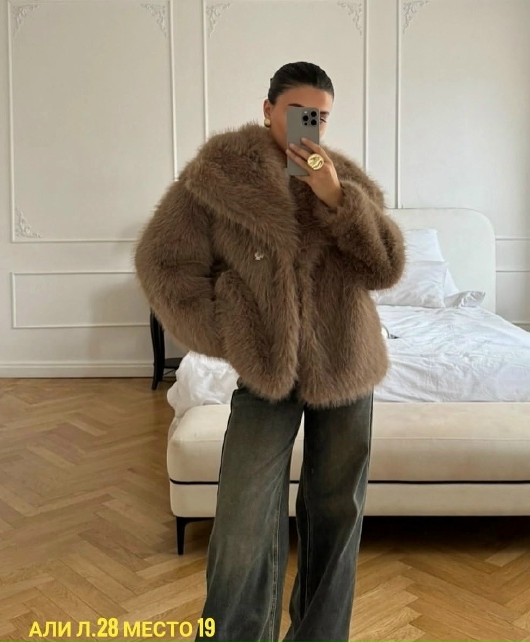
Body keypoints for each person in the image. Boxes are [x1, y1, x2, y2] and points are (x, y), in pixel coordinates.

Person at [133, 61, 406, 642]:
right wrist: (229, 331)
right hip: (266, 370)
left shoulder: (346, 179)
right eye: (298, 111)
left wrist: (338, 199)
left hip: (346, 364)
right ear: (268, 110)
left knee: (337, 512)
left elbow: (384, 267)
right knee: (242, 517)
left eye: (321, 116)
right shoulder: (216, 177)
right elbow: (163, 262)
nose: (311, 125)